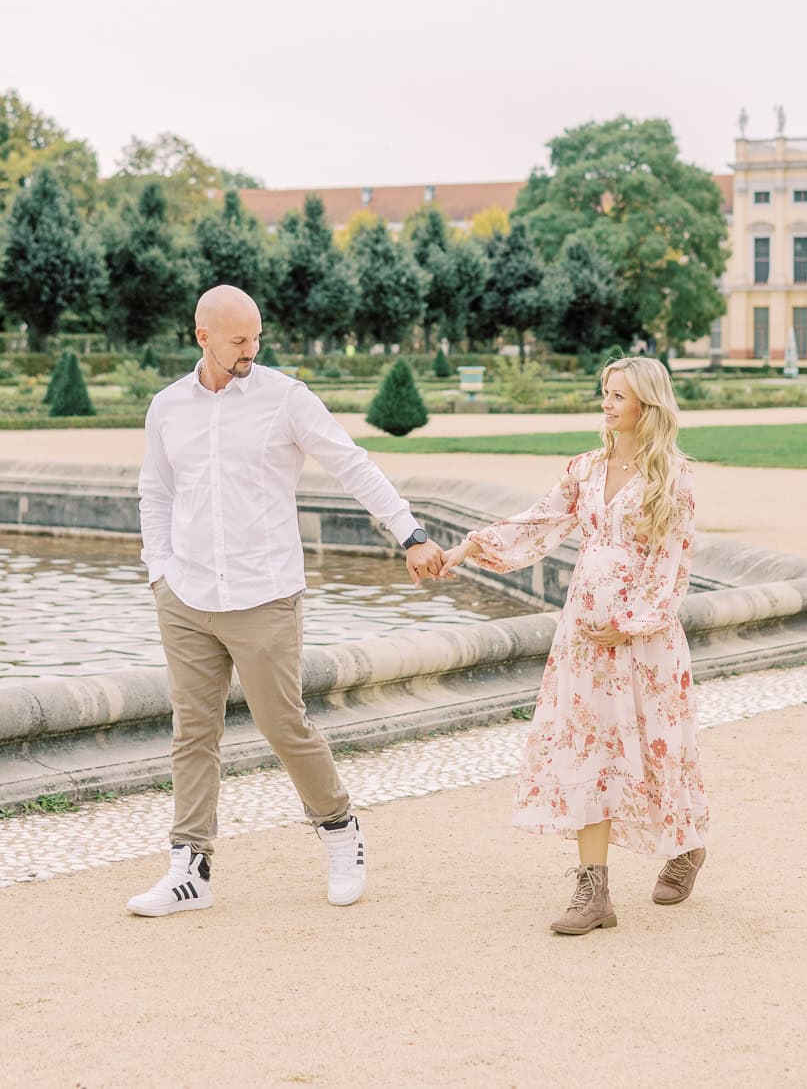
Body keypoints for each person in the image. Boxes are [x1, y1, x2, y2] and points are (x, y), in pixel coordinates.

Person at [127, 283, 445, 918]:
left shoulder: (285, 399)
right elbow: (155, 492)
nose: (252, 349)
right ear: (202, 338)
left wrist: (409, 532)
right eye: (239, 340)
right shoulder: (167, 407)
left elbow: (351, 465)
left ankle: (338, 829)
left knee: (282, 724)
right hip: (185, 593)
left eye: (257, 337)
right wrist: (157, 568)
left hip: (264, 594)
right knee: (193, 731)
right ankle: (191, 867)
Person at [437, 354, 708, 934]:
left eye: (618, 395)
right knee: (592, 752)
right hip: (584, 635)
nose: (606, 403)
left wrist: (634, 622)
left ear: (647, 405)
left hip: (645, 638)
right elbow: (538, 522)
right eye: (604, 392)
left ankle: (687, 845)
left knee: (657, 746)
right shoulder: (584, 469)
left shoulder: (674, 477)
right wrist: (470, 548)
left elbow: (672, 563)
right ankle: (594, 889)